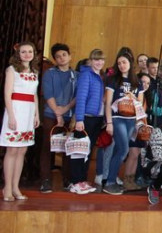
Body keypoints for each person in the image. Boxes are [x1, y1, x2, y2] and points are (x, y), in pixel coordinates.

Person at [1, 42, 40, 201]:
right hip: (16, 110)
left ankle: (16, 187)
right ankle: (7, 188)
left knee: (22, 150)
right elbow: (7, 94)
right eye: (23, 52)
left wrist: (36, 114)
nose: (27, 54)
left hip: (29, 112)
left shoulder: (34, 71)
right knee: (12, 150)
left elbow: (34, 94)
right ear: (18, 53)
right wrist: (11, 115)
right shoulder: (12, 70)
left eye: (30, 51)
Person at [103, 49, 144, 195]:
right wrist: (109, 123)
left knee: (119, 150)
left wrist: (133, 97)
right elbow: (108, 103)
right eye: (119, 63)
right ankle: (110, 182)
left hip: (131, 120)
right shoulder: (113, 79)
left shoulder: (137, 81)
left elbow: (140, 103)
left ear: (130, 63)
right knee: (123, 150)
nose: (121, 65)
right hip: (117, 118)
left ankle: (111, 179)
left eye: (124, 62)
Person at [39, 43, 77, 193]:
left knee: (67, 148)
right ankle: (45, 181)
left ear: (70, 56)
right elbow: (48, 94)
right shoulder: (50, 73)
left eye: (64, 55)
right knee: (47, 147)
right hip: (50, 114)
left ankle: (66, 180)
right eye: (58, 56)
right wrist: (57, 112)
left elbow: (77, 96)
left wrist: (65, 110)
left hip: (68, 115)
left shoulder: (76, 75)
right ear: (55, 59)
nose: (61, 58)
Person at [72, 49, 105, 194]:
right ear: (91, 61)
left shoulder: (100, 76)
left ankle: (82, 180)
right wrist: (79, 119)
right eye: (96, 59)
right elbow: (81, 98)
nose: (99, 62)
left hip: (97, 118)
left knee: (88, 150)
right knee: (79, 151)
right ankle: (75, 182)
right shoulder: (86, 75)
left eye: (101, 59)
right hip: (86, 117)